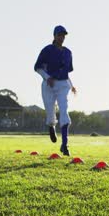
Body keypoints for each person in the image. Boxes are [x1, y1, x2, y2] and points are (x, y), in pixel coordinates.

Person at [34, 25, 76, 156]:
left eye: (63, 35)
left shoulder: (68, 52)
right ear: (54, 36)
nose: (61, 37)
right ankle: (51, 125)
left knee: (64, 110)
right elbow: (37, 67)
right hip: (49, 85)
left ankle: (65, 144)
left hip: (63, 84)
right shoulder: (47, 50)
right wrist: (47, 77)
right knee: (50, 110)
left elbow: (66, 72)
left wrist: (71, 85)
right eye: (59, 35)